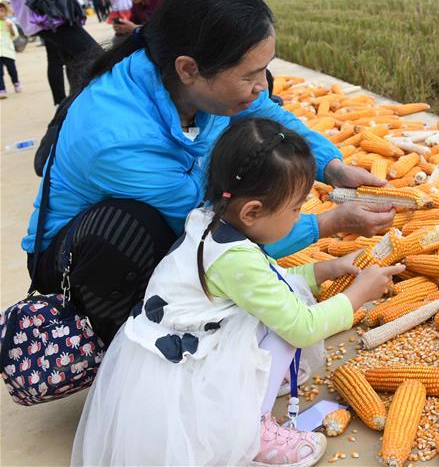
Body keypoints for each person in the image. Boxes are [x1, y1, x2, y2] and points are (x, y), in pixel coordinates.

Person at [23, 0, 394, 345]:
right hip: (84, 258)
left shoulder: (192, 84)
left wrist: (331, 167)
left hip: (166, 215)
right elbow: (214, 234)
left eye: (264, 69)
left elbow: (269, 116)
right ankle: (123, 342)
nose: (262, 85)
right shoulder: (116, 139)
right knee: (129, 227)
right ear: (189, 69)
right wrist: (329, 223)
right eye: (249, 75)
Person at [71, 117, 405, 466]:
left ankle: (251, 391)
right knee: (284, 327)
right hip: (183, 369)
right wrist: (358, 295)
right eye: (295, 209)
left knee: (277, 307)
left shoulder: (209, 220)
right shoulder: (236, 257)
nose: (299, 216)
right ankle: (252, 433)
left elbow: (267, 282)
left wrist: (325, 270)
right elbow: (302, 326)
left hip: (170, 347)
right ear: (253, 211)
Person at [0, 0, 21, 97]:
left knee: (12, 69)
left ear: (5, 12)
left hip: (8, 51)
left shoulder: (9, 22)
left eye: (1, 10)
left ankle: (16, 82)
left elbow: (15, 35)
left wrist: (10, 29)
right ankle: (2, 89)